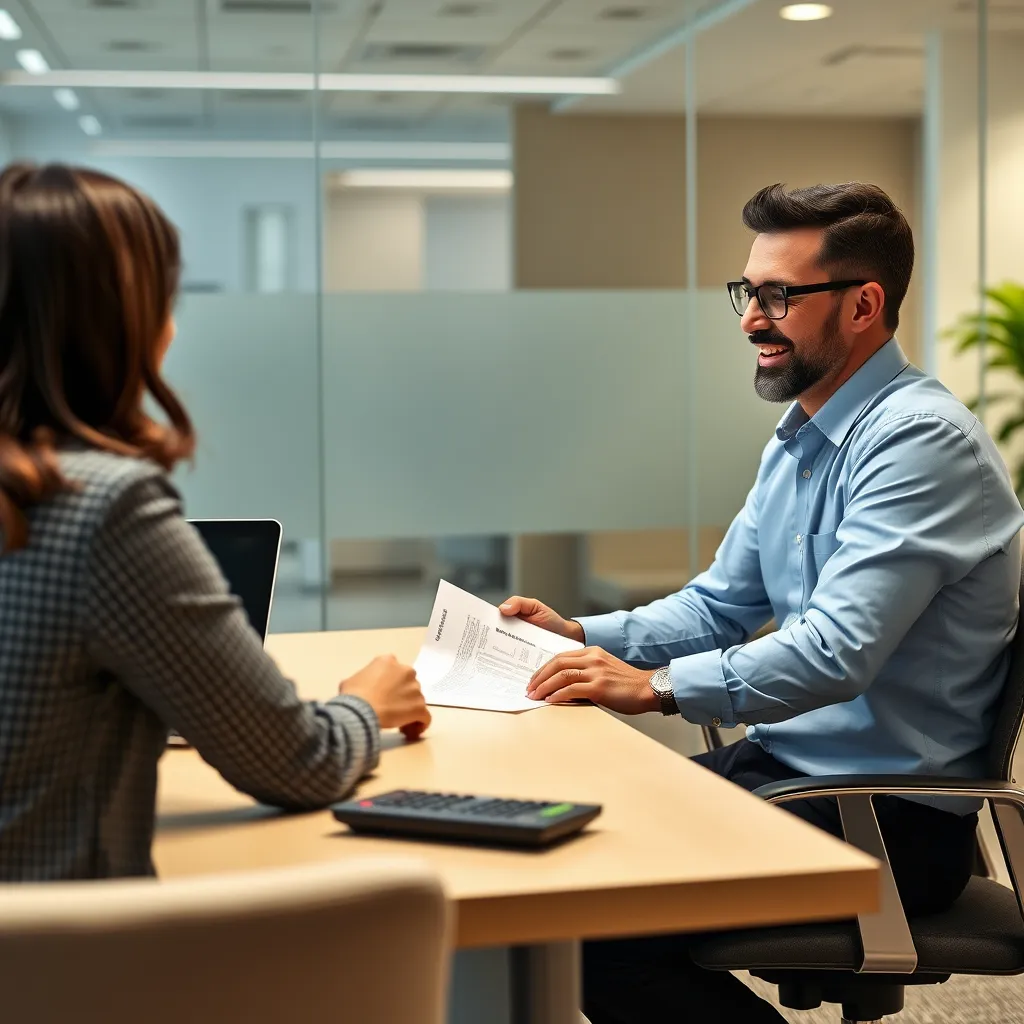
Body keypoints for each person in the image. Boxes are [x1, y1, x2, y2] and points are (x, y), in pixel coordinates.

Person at [501, 181, 1024, 1022]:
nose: (752, 319)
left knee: (584, 927)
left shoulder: (921, 443)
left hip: (882, 819)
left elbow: (835, 652)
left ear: (863, 304)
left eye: (780, 296)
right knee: (558, 869)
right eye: (749, 293)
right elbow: (718, 606)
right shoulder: (802, 441)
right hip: (786, 777)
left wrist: (659, 689)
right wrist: (577, 634)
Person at [0, 163, 431, 882]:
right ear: (127, 322)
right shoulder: (104, 509)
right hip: (61, 971)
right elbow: (297, 762)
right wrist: (365, 703)